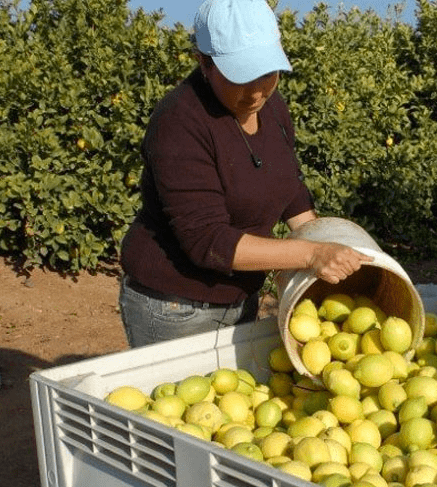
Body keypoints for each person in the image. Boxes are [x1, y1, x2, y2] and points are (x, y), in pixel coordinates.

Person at [118, 0, 371, 348]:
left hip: (241, 298)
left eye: (266, 73)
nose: (255, 92)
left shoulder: (273, 106)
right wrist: (312, 254)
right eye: (240, 76)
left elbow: (289, 188)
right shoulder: (179, 122)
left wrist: (325, 245)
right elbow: (208, 241)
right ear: (204, 63)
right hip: (176, 306)